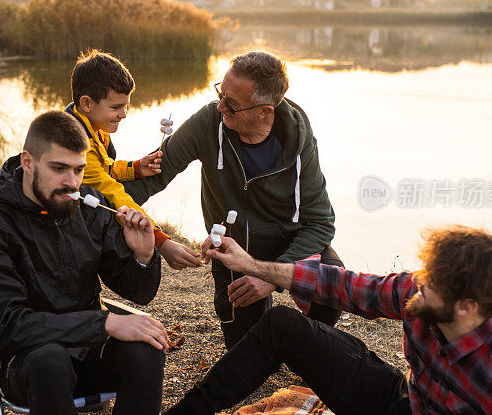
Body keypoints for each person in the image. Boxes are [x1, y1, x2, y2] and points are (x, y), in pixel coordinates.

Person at [133, 226, 492, 415]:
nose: (416, 285)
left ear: (467, 306)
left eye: (431, 283)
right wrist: (254, 264)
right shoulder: (420, 295)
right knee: (285, 326)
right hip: (403, 405)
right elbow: (344, 286)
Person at [0, 110, 170, 415]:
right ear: (28, 162)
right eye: (59, 169)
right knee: (49, 360)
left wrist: (143, 256)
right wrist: (104, 322)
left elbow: (139, 293)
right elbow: (9, 325)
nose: (72, 182)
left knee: (148, 345)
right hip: (24, 362)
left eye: (79, 169)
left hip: (87, 349)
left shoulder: (89, 208)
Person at [125, 51, 342, 348]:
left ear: (265, 111)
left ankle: (303, 340)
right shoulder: (207, 122)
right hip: (232, 247)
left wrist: (273, 276)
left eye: (233, 104)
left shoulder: (298, 139)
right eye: (221, 93)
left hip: (287, 242)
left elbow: (320, 222)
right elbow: (151, 179)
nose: (220, 106)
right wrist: (94, 195)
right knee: (245, 347)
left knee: (331, 281)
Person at [64, 50, 201, 272]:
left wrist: (135, 168)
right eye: (116, 107)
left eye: (126, 105)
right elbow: (111, 192)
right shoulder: (77, 147)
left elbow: (103, 167)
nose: (124, 114)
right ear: (87, 103)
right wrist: (161, 241)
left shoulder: (91, 123)